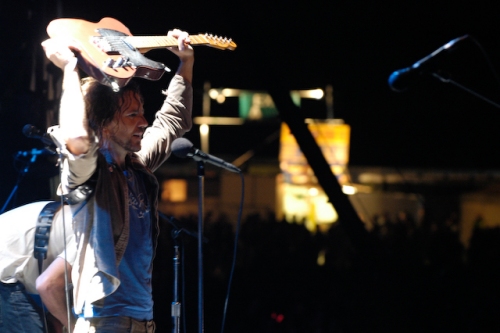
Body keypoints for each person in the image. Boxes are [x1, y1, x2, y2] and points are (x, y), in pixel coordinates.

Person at [41, 27, 194, 333]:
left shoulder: (136, 166)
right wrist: (70, 71)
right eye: (132, 115)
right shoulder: (90, 175)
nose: (144, 122)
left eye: (142, 112)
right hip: (105, 321)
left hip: (142, 321)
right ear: (106, 126)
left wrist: (185, 63)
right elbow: (78, 139)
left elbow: (173, 121)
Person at [0, 201, 77, 333]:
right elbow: (47, 285)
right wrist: (75, 328)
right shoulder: (91, 237)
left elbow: (56, 306)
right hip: (5, 268)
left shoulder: (87, 217)